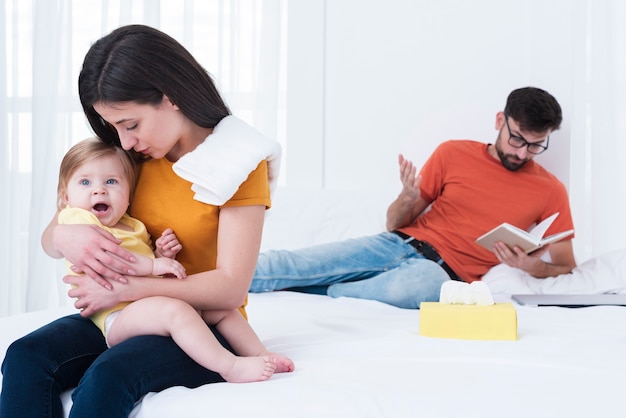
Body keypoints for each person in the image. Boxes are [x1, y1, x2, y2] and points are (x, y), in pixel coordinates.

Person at [0, 24, 292, 418]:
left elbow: (228, 288)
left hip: (199, 324)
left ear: (169, 97)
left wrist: (126, 287)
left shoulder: (238, 163)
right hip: (122, 312)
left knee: (108, 377)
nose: (124, 142)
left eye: (131, 125)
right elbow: (53, 235)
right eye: (115, 128)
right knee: (25, 356)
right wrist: (66, 237)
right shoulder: (134, 159)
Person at [250, 86, 577, 309]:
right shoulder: (453, 152)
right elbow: (394, 223)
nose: (522, 152)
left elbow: (566, 265)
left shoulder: (551, 190)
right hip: (397, 242)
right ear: (499, 121)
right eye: (516, 139)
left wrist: (530, 265)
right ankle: (207, 281)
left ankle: (328, 290)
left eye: (535, 145)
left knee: (420, 286)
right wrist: (408, 196)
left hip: (444, 275)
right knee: (292, 262)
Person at [57, 137, 288, 383]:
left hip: (143, 302)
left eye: (111, 182)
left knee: (222, 309)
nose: (99, 190)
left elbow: (142, 270)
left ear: (129, 196)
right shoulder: (79, 221)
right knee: (175, 312)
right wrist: (154, 265)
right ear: (66, 197)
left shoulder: (133, 225)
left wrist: (161, 255)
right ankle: (230, 367)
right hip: (117, 315)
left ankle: (260, 353)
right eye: (85, 182)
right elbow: (115, 262)